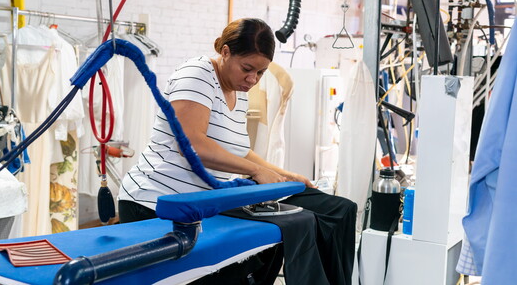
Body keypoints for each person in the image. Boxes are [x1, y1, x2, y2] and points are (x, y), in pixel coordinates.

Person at [118, 18, 356, 284]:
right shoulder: (197, 74)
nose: (253, 79)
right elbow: (192, 144)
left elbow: (240, 151)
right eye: (247, 68)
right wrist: (257, 171)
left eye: (261, 72)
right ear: (226, 52)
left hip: (198, 207)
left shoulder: (238, 91)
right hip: (153, 202)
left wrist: (285, 174)